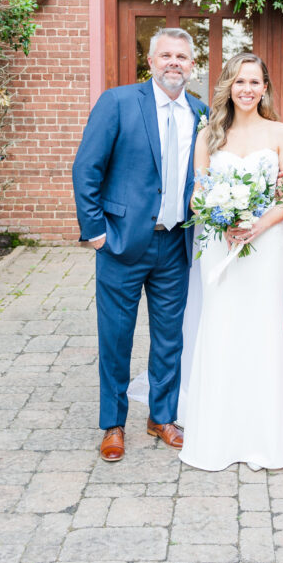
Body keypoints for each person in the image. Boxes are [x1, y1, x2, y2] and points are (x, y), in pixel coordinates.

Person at [72, 28, 210, 462]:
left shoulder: (202, 113)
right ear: (149, 62)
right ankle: (113, 425)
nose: (174, 63)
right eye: (165, 55)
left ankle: (162, 416)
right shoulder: (117, 102)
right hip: (121, 244)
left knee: (170, 338)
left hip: (175, 244)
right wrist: (96, 232)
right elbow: (86, 169)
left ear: (192, 65)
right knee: (116, 337)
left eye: (182, 57)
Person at [179, 53, 283, 471]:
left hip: (267, 245)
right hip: (219, 242)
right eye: (238, 81)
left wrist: (258, 226)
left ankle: (264, 438)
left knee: (262, 328)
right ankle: (218, 435)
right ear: (228, 86)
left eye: (254, 82)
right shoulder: (209, 134)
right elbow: (198, 191)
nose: (246, 89)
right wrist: (220, 215)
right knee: (222, 325)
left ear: (265, 87)